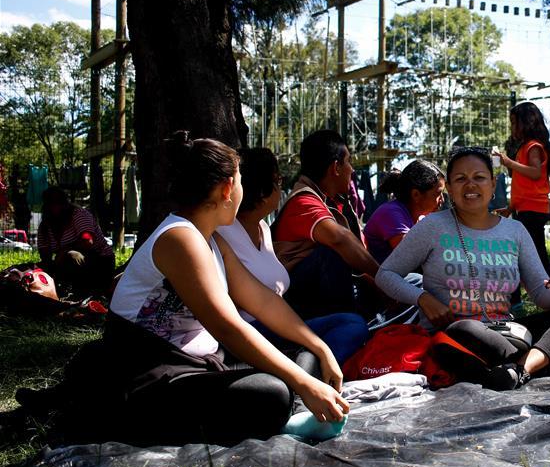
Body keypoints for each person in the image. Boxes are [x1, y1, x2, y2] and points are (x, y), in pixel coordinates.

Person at [20, 133, 351, 447]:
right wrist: (303, 383)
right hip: (150, 373)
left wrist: (320, 347)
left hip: (199, 363)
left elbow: (262, 301)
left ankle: (276, 414)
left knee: (303, 358)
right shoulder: (180, 238)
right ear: (225, 189)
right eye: (239, 181)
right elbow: (227, 326)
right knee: (275, 392)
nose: (241, 190)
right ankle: (275, 418)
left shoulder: (211, 239)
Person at [376, 147, 550, 391]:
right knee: (465, 328)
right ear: (449, 188)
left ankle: (522, 368)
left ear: (493, 184)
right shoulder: (432, 227)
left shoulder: (515, 231)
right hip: (458, 336)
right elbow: (385, 275)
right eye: (461, 179)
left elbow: (544, 299)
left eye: (479, 177)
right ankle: (548, 360)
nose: (470, 185)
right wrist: (422, 298)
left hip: (507, 331)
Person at [216, 147, 368, 364]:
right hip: (252, 330)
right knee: (348, 320)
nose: (282, 187)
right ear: (260, 189)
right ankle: (309, 368)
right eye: (278, 180)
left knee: (352, 324)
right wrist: (383, 277)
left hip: (277, 322)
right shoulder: (222, 234)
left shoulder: (262, 228)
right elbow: (339, 239)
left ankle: (309, 363)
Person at [272, 130, 381, 320]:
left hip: (313, 294)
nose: (352, 169)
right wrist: (386, 279)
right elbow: (339, 239)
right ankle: (347, 323)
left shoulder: (329, 201)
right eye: (348, 161)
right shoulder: (303, 201)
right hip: (294, 303)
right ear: (335, 167)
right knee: (332, 253)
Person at [493, 102, 550, 274]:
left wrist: (508, 162)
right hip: (525, 208)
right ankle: (545, 281)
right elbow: (523, 186)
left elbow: (535, 173)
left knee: (536, 250)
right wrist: (510, 208)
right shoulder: (524, 147)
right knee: (532, 249)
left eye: (515, 123)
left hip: (534, 210)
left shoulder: (533, 147)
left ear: (527, 123)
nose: (512, 127)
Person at [37, 186, 115, 297]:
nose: (55, 207)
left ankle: (83, 292)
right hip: (68, 266)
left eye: (57, 203)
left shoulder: (79, 215)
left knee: (72, 256)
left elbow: (87, 241)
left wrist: (64, 251)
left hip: (100, 262)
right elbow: (44, 253)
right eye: (51, 204)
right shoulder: (45, 226)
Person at [363, 160, 445, 264]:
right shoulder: (391, 213)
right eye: (438, 194)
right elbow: (411, 256)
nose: (442, 199)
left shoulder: (417, 218)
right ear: (416, 195)